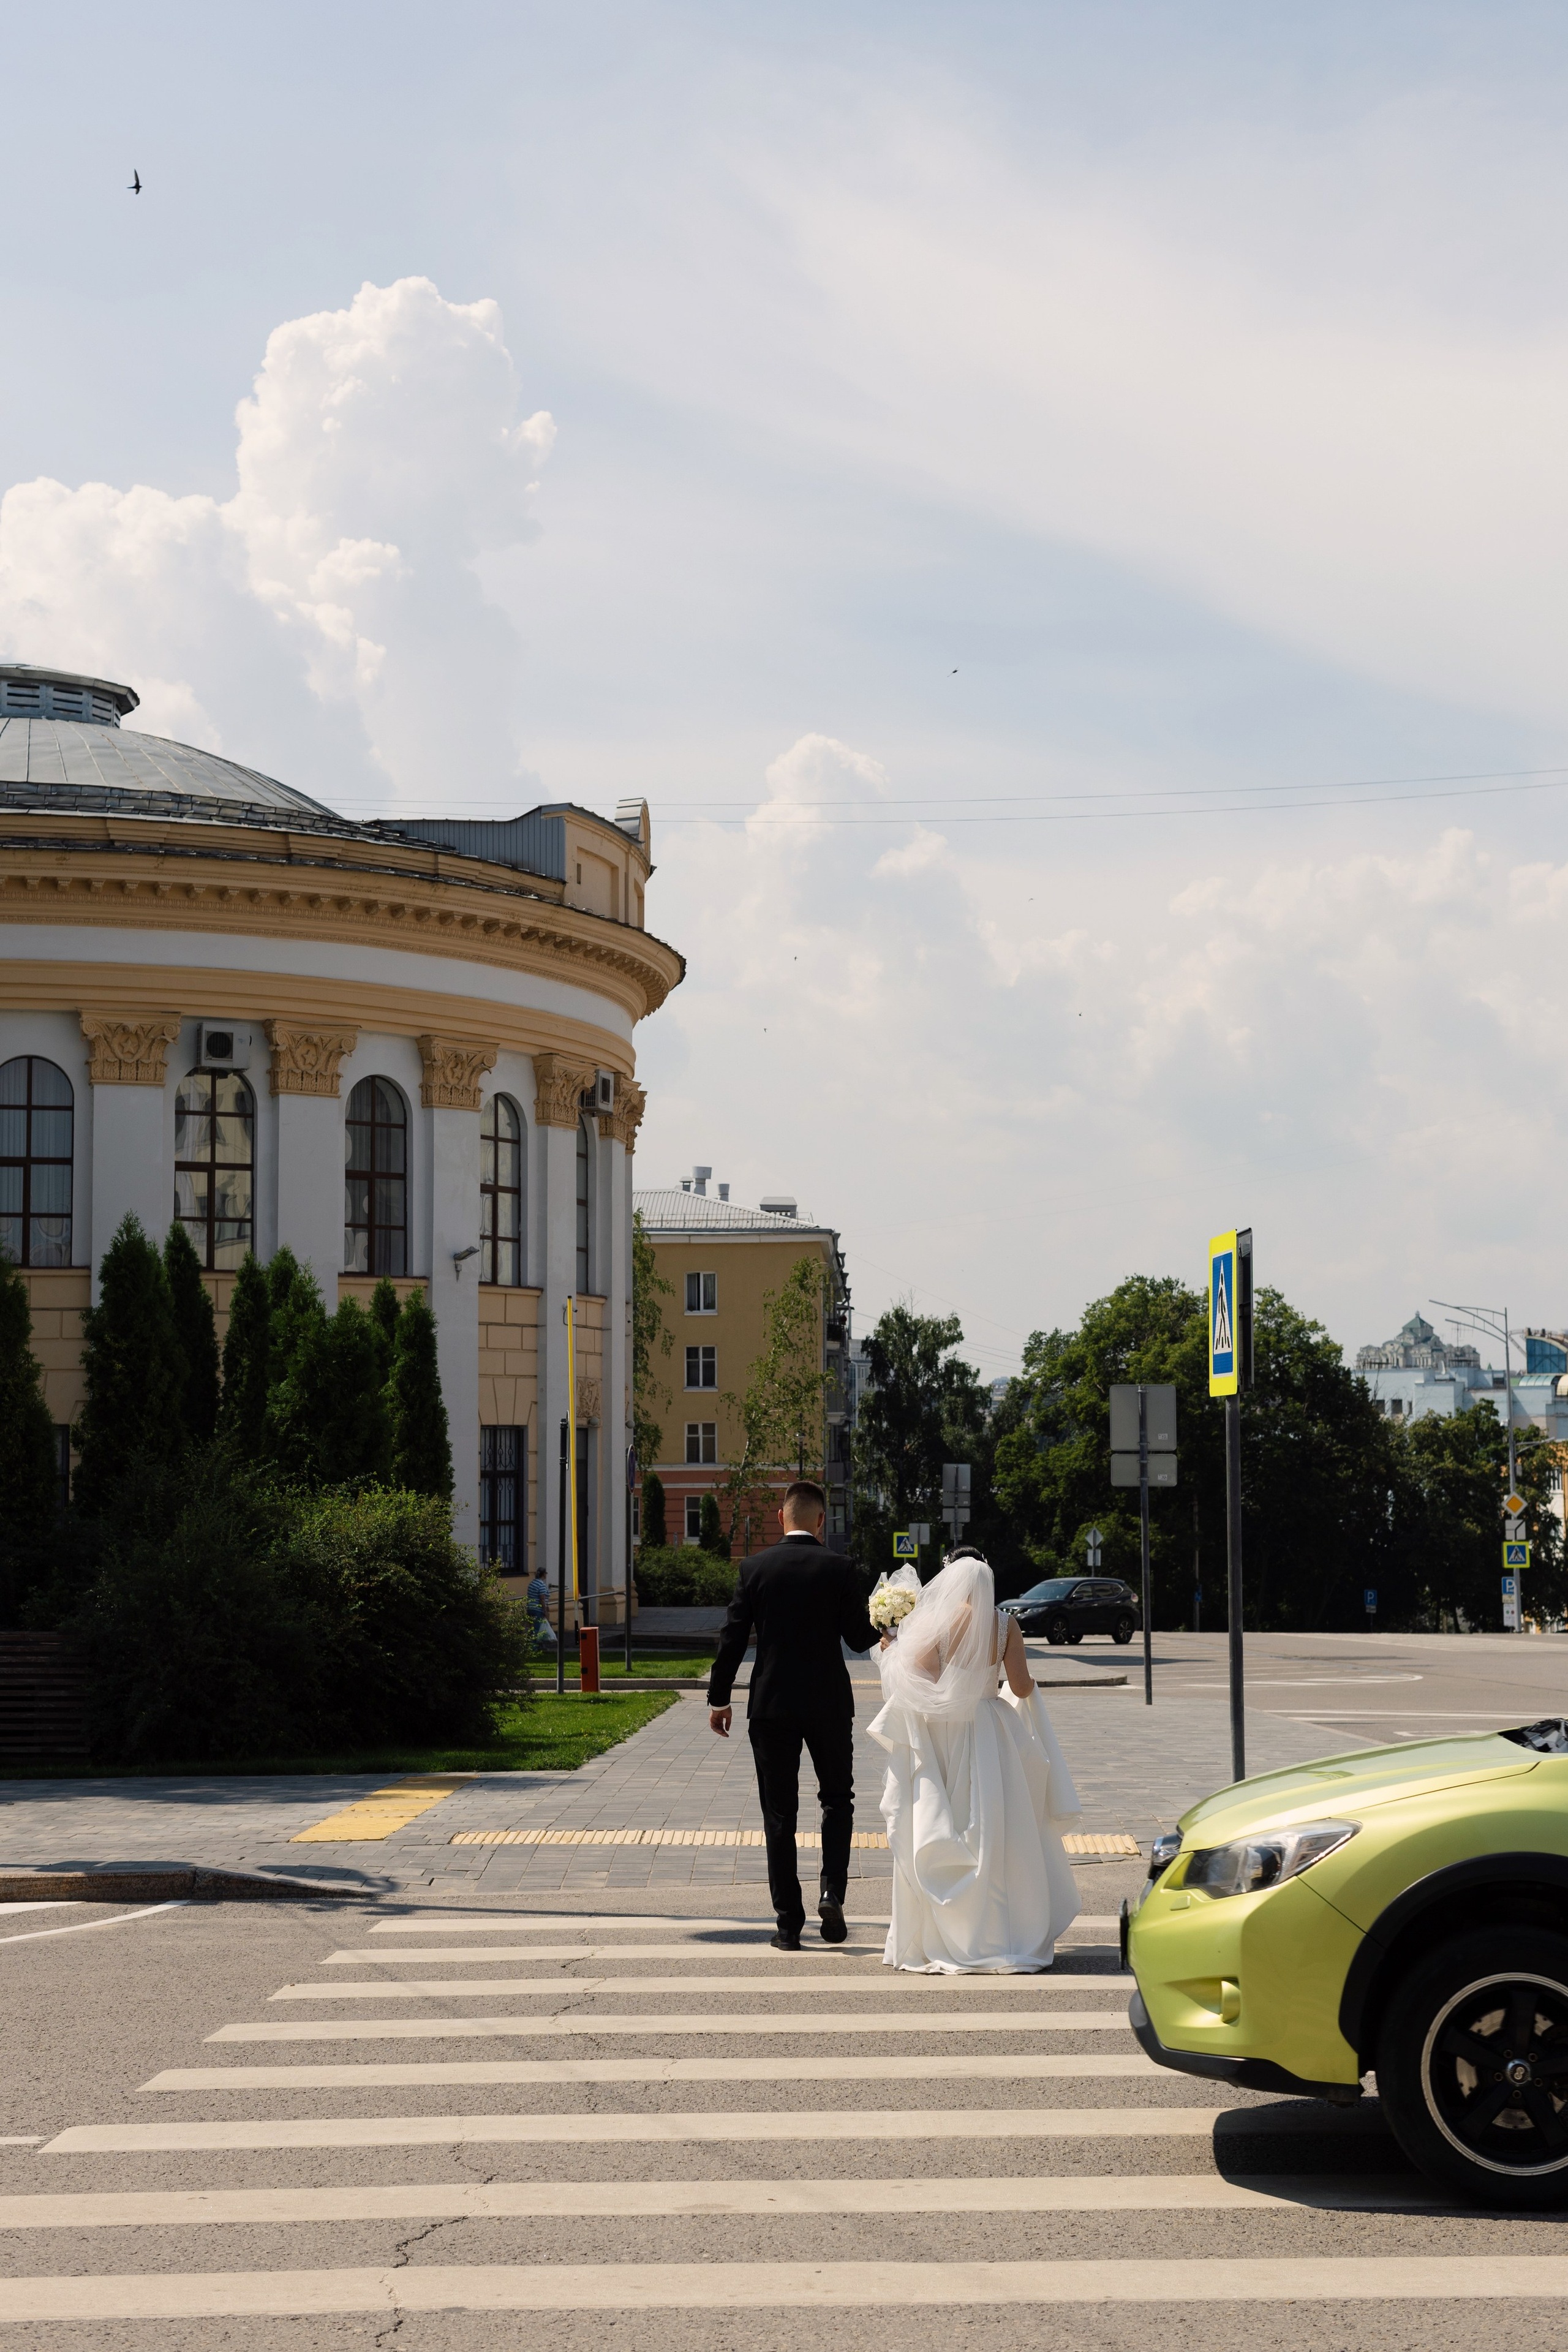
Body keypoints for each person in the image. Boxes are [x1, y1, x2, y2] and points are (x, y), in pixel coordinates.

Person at [869, 1544, 1081, 1972]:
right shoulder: (1005, 1626)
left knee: (947, 1825)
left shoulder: (937, 1624)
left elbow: (920, 1679)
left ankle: (947, 1931)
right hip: (993, 1729)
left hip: (946, 1731)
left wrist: (892, 1648)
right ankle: (1004, 1931)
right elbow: (1020, 1689)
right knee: (998, 1831)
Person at [707, 1479, 878, 1950]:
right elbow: (860, 1638)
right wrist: (889, 1620)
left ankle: (788, 1925)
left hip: (772, 1705)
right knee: (837, 1800)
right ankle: (832, 1891)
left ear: (781, 1517)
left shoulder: (754, 1568)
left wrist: (719, 1698)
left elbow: (733, 1639)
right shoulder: (840, 1567)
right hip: (828, 1704)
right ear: (822, 1521)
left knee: (779, 1813)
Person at [526, 1565, 556, 1652]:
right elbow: (542, 1598)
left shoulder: (532, 1583)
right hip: (538, 1609)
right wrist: (545, 1610)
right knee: (538, 1628)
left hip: (530, 1607)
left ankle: (539, 1645)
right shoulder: (541, 1585)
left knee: (533, 1627)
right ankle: (534, 1647)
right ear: (544, 1575)